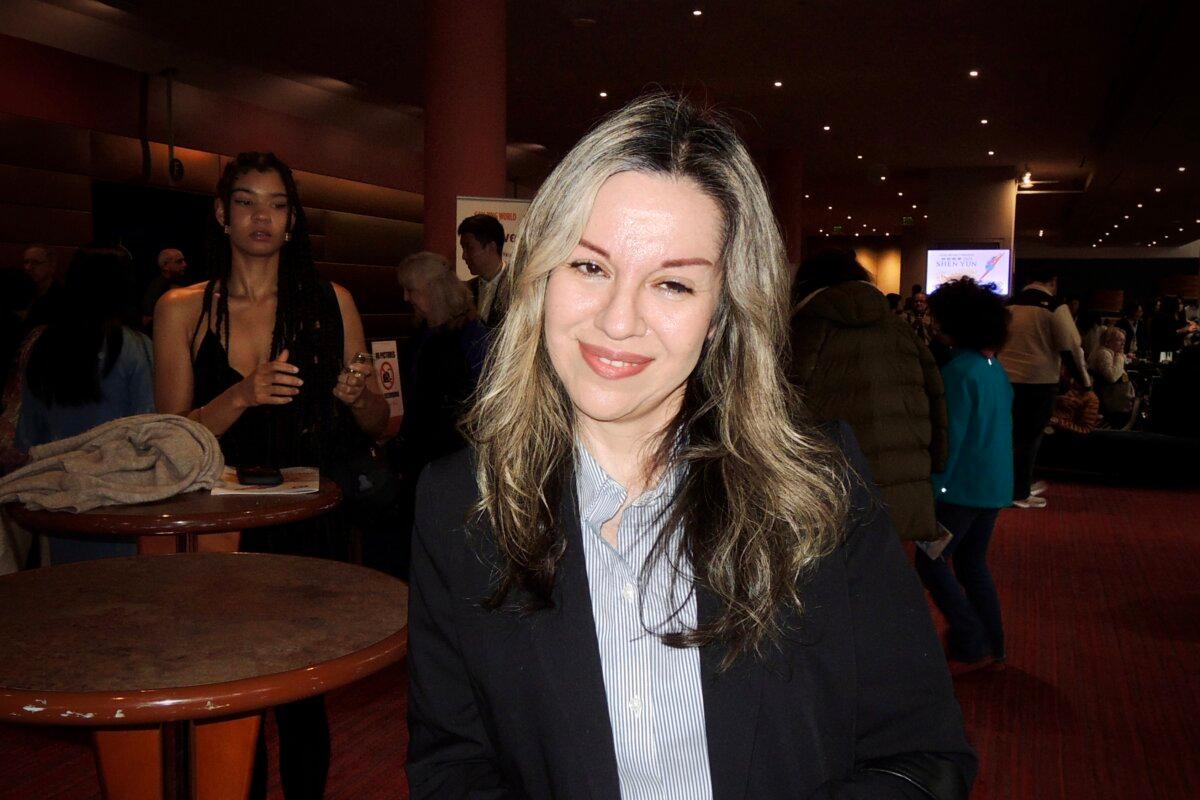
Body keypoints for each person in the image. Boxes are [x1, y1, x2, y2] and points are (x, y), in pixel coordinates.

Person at [406, 94, 975, 799]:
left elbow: (921, 757)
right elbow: (453, 764)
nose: (619, 320)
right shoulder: (459, 503)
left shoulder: (819, 487)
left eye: (672, 283)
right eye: (590, 267)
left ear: (722, 312)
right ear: (541, 276)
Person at [154, 151, 389, 800]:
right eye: (247, 202)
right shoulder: (182, 308)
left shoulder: (332, 302)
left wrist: (359, 398)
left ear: (292, 220)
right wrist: (242, 394)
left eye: (277, 204)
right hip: (220, 532)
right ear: (222, 214)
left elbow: (377, 424)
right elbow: (169, 440)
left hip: (308, 525)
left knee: (303, 697)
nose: (262, 217)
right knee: (233, 695)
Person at [790, 249, 948, 542]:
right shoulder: (900, 330)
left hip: (833, 481)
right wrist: (936, 462)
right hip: (904, 476)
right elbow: (936, 397)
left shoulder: (807, 328)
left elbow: (787, 401)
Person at [16, 247, 154, 562]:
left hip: (58, 495)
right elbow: (148, 427)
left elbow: (28, 436)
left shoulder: (43, 347)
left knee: (66, 583)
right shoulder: (134, 348)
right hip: (119, 496)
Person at [915, 277, 1012, 672]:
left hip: (959, 490)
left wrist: (934, 487)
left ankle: (971, 638)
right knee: (973, 564)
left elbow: (949, 439)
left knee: (931, 562)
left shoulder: (958, 372)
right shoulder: (993, 369)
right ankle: (993, 643)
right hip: (992, 485)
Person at [390, 251, 488, 576]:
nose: (406, 298)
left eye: (411, 290)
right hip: (421, 461)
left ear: (433, 290)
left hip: (455, 464)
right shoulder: (424, 334)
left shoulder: (472, 336)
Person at [999, 265, 1091, 509]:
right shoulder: (1054, 307)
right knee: (1029, 438)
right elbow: (1070, 347)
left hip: (1005, 379)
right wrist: (1084, 381)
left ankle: (1004, 485)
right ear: (1054, 281)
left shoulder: (1009, 304)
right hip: (1038, 382)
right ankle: (1019, 491)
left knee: (1006, 435)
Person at [457, 213, 507, 325]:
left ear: (491, 247)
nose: (464, 256)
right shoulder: (466, 290)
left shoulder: (518, 287)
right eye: (463, 248)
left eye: (469, 248)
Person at [1087, 327, 1135, 426]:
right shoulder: (1103, 353)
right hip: (1110, 402)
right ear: (1107, 341)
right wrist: (1120, 357)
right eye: (1119, 340)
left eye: (1124, 340)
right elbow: (1112, 377)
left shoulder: (1112, 353)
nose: (1123, 343)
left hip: (1115, 400)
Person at [141, 247, 189, 329]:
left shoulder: (177, 283)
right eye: (179, 262)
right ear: (165, 266)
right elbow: (147, 319)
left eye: (183, 261)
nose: (184, 264)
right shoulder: (156, 288)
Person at [20, 244, 63, 330]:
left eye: (35, 263)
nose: (28, 268)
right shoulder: (19, 289)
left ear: (51, 266)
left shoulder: (61, 297)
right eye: (26, 262)